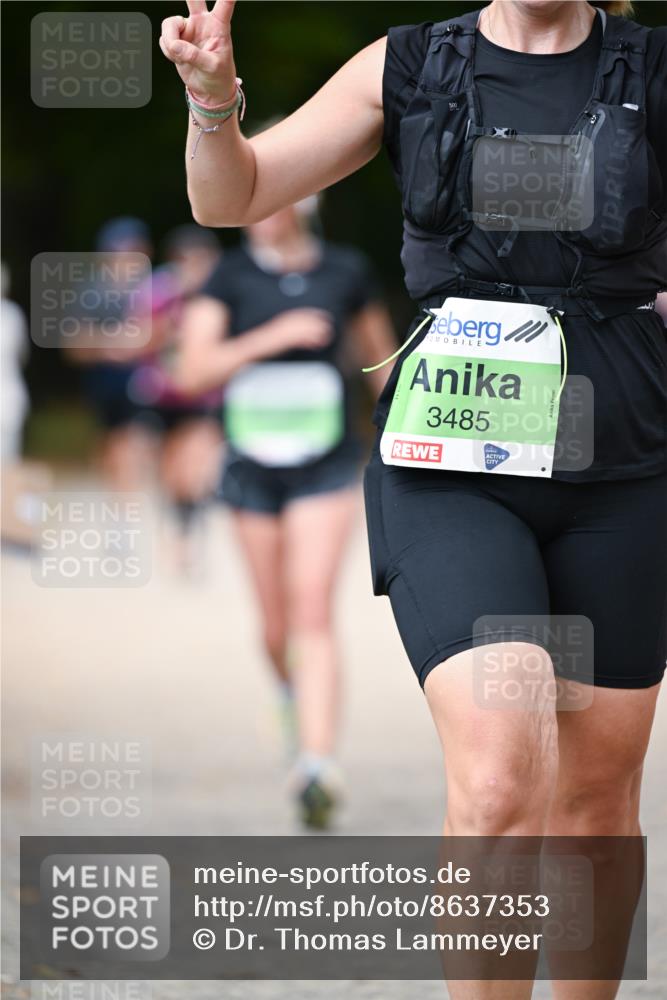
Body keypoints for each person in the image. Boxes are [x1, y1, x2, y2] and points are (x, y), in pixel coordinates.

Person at [160, 1, 666, 992]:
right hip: (452, 465)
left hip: (622, 466)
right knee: (497, 775)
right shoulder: (408, 66)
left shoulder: (651, 70)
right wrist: (212, 104)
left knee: (598, 801)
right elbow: (236, 197)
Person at [176, 197, 396, 827]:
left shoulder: (345, 271)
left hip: (325, 462)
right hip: (250, 466)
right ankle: (285, 694)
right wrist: (275, 335)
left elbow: (380, 365)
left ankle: (317, 764)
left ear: (302, 202)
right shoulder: (229, 277)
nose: (259, 211)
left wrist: (409, 437)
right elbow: (193, 370)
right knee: (275, 625)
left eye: (273, 196)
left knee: (311, 610)